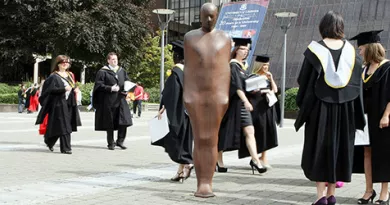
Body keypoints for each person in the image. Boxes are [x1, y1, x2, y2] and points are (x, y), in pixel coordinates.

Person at [294, 11, 365, 205]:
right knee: (339, 147)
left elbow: (304, 81)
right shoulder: (351, 52)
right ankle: (332, 194)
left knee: (320, 147)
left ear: (322, 27)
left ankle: (320, 197)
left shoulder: (315, 50)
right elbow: (357, 84)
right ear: (340, 27)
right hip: (345, 110)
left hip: (320, 109)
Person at [183, 3, 231, 197]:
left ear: (217, 16)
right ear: (200, 16)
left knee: (211, 139)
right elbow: (189, 68)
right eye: (206, 16)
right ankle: (200, 182)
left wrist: (225, 95)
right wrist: (188, 95)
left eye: (212, 16)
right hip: (196, 95)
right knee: (199, 138)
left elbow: (225, 69)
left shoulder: (225, 38)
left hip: (217, 96)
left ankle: (207, 183)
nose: (209, 20)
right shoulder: (190, 37)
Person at [350, 30, 390, 205]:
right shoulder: (364, 69)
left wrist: (387, 115)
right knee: (367, 153)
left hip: (382, 118)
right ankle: (368, 190)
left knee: (383, 155)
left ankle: (384, 193)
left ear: (370, 48)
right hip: (365, 118)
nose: (359, 52)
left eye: (361, 48)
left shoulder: (387, 68)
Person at [217, 38, 267, 175]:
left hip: (242, 105)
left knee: (250, 131)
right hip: (233, 105)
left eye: (247, 50)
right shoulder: (233, 66)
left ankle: (255, 160)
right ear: (236, 50)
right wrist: (245, 100)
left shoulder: (242, 67)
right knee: (224, 132)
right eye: (242, 49)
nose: (245, 52)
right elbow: (236, 86)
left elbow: (245, 85)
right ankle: (218, 160)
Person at [152, 43, 194, 183]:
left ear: (176, 57)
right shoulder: (190, 73)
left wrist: (164, 107)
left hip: (178, 114)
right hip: (189, 114)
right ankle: (180, 172)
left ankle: (187, 162)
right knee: (185, 142)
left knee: (175, 142)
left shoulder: (175, 74)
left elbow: (171, 95)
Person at [35, 55, 81, 154]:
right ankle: (66, 148)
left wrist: (75, 89)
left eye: (67, 63)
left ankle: (49, 140)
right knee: (65, 126)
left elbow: (72, 86)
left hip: (69, 103)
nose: (65, 64)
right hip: (58, 104)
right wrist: (63, 89)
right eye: (63, 62)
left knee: (62, 125)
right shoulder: (53, 77)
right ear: (58, 64)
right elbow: (49, 91)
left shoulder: (70, 75)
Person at [240, 55, 279, 169]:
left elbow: (275, 90)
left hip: (267, 108)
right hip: (257, 109)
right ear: (259, 65)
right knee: (259, 132)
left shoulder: (267, 77)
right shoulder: (252, 77)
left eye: (267, 65)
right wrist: (260, 90)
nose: (266, 67)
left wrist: (271, 78)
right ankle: (255, 157)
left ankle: (264, 157)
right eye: (264, 65)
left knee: (267, 132)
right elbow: (250, 91)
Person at [93, 52, 133, 150]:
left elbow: (127, 81)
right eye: (113, 59)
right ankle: (111, 143)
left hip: (121, 99)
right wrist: (110, 88)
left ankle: (120, 141)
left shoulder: (121, 71)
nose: (115, 61)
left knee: (124, 121)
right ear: (108, 61)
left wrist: (128, 90)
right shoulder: (102, 72)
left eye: (116, 59)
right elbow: (98, 85)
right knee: (109, 122)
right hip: (109, 100)